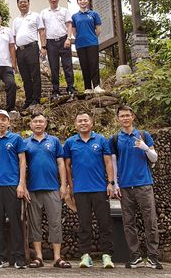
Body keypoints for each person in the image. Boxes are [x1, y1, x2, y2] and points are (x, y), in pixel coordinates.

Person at [111, 105, 162, 270]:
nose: (125, 118)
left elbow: (154, 158)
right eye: (122, 116)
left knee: (150, 221)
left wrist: (145, 147)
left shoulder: (143, 135)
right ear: (118, 119)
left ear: (133, 117)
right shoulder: (115, 139)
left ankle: (153, 257)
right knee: (128, 223)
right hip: (125, 186)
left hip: (144, 184)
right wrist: (115, 183)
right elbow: (114, 163)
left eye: (127, 115)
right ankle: (135, 257)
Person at [63, 112, 115, 269]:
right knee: (84, 224)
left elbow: (108, 162)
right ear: (75, 124)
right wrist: (71, 185)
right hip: (80, 190)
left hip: (100, 188)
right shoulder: (70, 142)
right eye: (80, 121)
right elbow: (67, 166)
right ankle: (85, 256)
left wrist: (110, 183)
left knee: (104, 223)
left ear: (91, 123)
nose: (83, 123)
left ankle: (107, 256)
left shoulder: (101, 140)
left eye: (85, 120)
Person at [24, 113, 70, 269]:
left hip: (52, 188)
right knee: (34, 223)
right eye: (35, 121)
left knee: (55, 222)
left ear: (45, 124)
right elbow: (22, 166)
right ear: (30, 124)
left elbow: (61, 164)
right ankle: (38, 257)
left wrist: (63, 185)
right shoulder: (25, 143)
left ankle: (57, 257)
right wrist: (23, 186)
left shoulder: (54, 141)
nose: (38, 124)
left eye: (41, 121)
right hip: (32, 188)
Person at [0, 109, 28, 269]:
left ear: (9, 122)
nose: (1, 122)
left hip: (12, 185)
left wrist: (21, 183)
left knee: (16, 222)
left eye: (4, 119)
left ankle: (18, 257)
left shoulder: (16, 139)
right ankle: (1, 257)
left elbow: (22, 161)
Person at [39, 0, 76, 99]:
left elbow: (69, 25)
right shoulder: (44, 13)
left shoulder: (64, 11)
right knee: (54, 67)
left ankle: (70, 88)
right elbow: (42, 30)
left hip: (64, 40)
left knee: (67, 65)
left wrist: (69, 38)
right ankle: (55, 90)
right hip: (51, 42)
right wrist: (43, 46)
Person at [12, 0, 45, 108]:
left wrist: (43, 47)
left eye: (24, 2)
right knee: (25, 76)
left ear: (28, 3)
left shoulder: (35, 16)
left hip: (32, 47)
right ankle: (28, 99)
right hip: (20, 50)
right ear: (18, 5)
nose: (23, 4)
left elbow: (41, 32)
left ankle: (36, 98)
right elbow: (14, 36)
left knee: (35, 74)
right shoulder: (16, 20)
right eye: (20, 2)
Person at [72, 0, 104, 94]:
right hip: (80, 44)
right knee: (84, 65)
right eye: (80, 0)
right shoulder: (74, 16)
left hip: (92, 43)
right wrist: (80, 37)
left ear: (88, 1)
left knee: (94, 64)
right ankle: (88, 88)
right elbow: (74, 31)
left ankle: (96, 86)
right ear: (78, 2)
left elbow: (98, 30)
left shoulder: (94, 14)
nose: (82, 1)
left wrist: (92, 37)